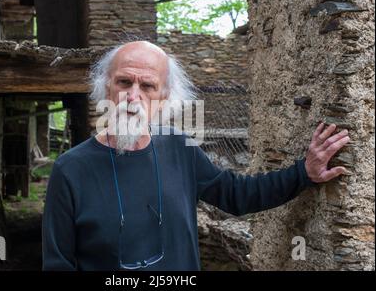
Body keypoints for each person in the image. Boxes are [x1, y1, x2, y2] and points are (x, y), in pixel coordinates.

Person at [42, 41, 350, 270]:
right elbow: (58, 264)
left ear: (163, 98)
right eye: (124, 82)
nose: (133, 96)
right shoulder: (70, 170)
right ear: (106, 87)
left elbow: (237, 195)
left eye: (147, 86)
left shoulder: (180, 147)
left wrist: (303, 173)